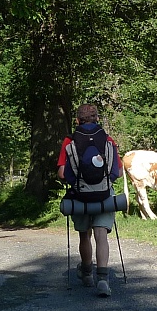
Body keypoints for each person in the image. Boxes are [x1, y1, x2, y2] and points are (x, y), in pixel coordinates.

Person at [57, 104, 123, 297]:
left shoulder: (69, 141)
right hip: (104, 195)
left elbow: (62, 173)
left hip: (80, 197)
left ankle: (87, 273)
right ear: (97, 119)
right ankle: (102, 279)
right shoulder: (108, 140)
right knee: (101, 235)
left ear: (77, 120)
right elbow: (117, 171)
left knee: (84, 235)